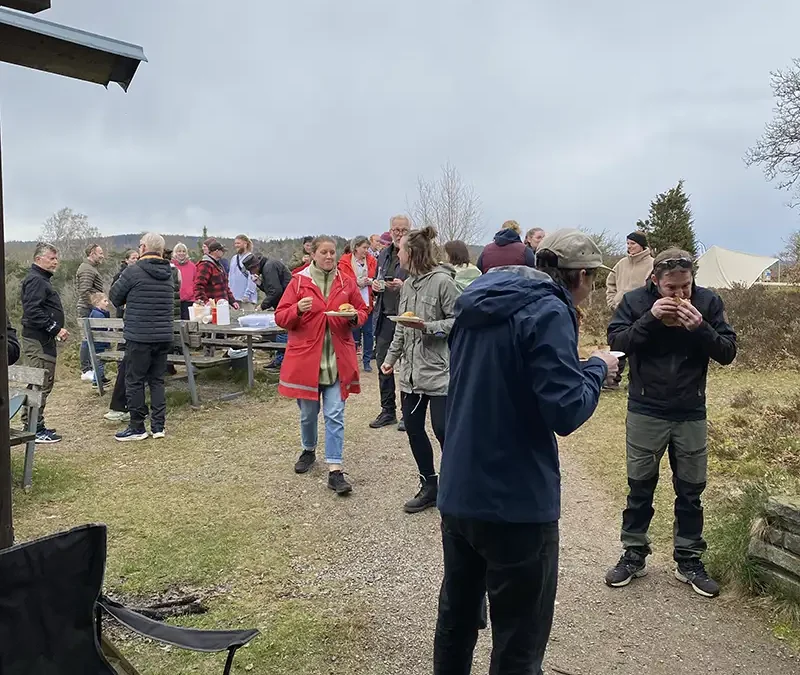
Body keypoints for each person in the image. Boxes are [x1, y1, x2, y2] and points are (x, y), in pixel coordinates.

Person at [434, 229, 618, 675]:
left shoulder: (476, 303)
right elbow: (566, 411)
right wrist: (597, 368)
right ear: (581, 276)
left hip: (460, 492)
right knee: (519, 643)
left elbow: (504, 375)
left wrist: (573, 368)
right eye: (593, 279)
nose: (592, 289)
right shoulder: (549, 311)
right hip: (516, 505)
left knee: (457, 618)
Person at [605, 248, 737, 598]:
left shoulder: (708, 302)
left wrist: (701, 327)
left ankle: (689, 559)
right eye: (671, 288)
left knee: (691, 491)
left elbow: (727, 352)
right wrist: (650, 318)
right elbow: (617, 343)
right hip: (646, 407)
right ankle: (634, 554)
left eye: (686, 286)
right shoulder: (635, 301)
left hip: (690, 409)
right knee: (640, 487)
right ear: (655, 281)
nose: (680, 295)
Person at [274, 236, 369, 495]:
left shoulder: (346, 282)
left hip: (337, 360)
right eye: (324, 252)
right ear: (313, 254)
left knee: (335, 414)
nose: (329, 256)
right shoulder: (298, 281)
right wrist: (297, 309)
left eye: (332, 252)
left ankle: (335, 470)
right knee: (308, 414)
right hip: (307, 362)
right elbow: (281, 317)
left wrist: (353, 317)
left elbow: (362, 310)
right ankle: (308, 449)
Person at [380, 227, 458, 513]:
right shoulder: (407, 285)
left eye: (400, 249)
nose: (397, 254)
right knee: (413, 428)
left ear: (411, 253)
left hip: (439, 372)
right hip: (411, 375)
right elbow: (402, 326)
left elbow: (458, 321)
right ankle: (430, 486)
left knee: (444, 431)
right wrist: (390, 358)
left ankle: (456, 487)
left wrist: (428, 327)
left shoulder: (443, 282)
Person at [109, 233, 176, 442]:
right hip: (163, 334)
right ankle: (158, 426)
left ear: (144, 248)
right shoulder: (170, 273)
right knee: (157, 380)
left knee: (135, 381)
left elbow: (114, 297)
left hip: (139, 334)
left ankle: (137, 426)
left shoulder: (133, 271)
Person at [21, 243, 68, 444]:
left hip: (43, 340)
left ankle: (34, 424)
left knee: (41, 381)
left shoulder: (41, 279)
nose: (55, 262)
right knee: (40, 381)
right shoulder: (36, 280)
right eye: (51, 258)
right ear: (38, 259)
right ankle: (34, 428)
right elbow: (32, 311)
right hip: (38, 340)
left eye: (56, 258)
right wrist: (54, 328)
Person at [370, 215, 411, 430]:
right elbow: (377, 277)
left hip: (407, 317)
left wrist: (404, 285)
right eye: (396, 229)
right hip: (384, 316)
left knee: (407, 366)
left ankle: (407, 414)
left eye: (403, 230)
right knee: (383, 364)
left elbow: (422, 281)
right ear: (390, 230)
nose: (399, 233)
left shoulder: (415, 253)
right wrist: (376, 286)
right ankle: (388, 410)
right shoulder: (384, 254)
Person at [604, 231, 655, 390]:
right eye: (627, 243)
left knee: (641, 345)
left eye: (632, 243)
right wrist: (612, 301)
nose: (629, 246)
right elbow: (610, 283)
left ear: (642, 245)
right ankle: (612, 380)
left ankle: (637, 380)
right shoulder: (621, 264)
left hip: (643, 313)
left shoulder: (652, 264)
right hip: (621, 311)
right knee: (618, 345)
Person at [242, 252, 292, 370]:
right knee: (282, 332)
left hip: (287, 303)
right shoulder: (268, 266)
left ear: (255, 266)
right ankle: (281, 359)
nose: (252, 273)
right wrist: (260, 283)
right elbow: (272, 289)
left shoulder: (269, 268)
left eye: (251, 270)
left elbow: (276, 291)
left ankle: (282, 361)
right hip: (285, 302)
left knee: (282, 332)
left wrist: (262, 306)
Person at [338, 235, 378, 372]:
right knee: (353, 332)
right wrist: (355, 282)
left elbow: (377, 276)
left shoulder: (372, 261)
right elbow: (342, 280)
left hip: (368, 301)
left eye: (367, 248)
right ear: (355, 248)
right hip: (351, 302)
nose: (366, 251)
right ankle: (351, 360)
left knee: (368, 333)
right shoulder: (344, 262)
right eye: (364, 248)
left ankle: (366, 361)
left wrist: (371, 281)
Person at [77, 243, 105, 380]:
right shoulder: (87, 269)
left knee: (91, 338)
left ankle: (92, 369)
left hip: (90, 308)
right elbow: (84, 291)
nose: (102, 256)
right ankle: (86, 370)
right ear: (92, 253)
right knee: (87, 338)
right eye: (100, 253)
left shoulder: (90, 268)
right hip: (87, 309)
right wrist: (95, 306)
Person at [194, 241, 239, 308]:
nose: (223, 253)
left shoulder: (219, 266)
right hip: (211, 306)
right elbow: (198, 286)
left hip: (222, 306)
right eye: (222, 251)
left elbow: (225, 287)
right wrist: (205, 302)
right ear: (216, 251)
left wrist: (232, 301)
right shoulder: (205, 265)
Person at [87, 292, 111, 387]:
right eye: (105, 301)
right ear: (97, 302)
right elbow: (103, 330)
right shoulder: (99, 315)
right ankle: (96, 380)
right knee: (99, 362)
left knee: (99, 361)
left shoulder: (94, 313)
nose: (107, 303)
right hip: (99, 342)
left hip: (94, 343)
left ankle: (101, 377)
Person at [229, 234, 259, 311]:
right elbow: (230, 277)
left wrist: (247, 294)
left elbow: (253, 278)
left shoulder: (251, 258)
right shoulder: (234, 258)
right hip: (234, 299)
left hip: (247, 300)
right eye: (235, 243)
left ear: (245, 244)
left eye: (238, 243)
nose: (236, 245)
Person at [111, 250, 139, 318]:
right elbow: (114, 293)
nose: (135, 260)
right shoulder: (120, 276)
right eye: (133, 258)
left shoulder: (141, 274)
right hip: (123, 309)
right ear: (127, 260)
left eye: (137, 258)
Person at [173, 243, 196, 320]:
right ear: (175, 253)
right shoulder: (172, 266)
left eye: (183, 251)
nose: (181, 253)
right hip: (175, 299)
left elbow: (196, 281)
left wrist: (193, 293)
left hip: (189, 300)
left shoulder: (192, 266)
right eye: (179, 251)